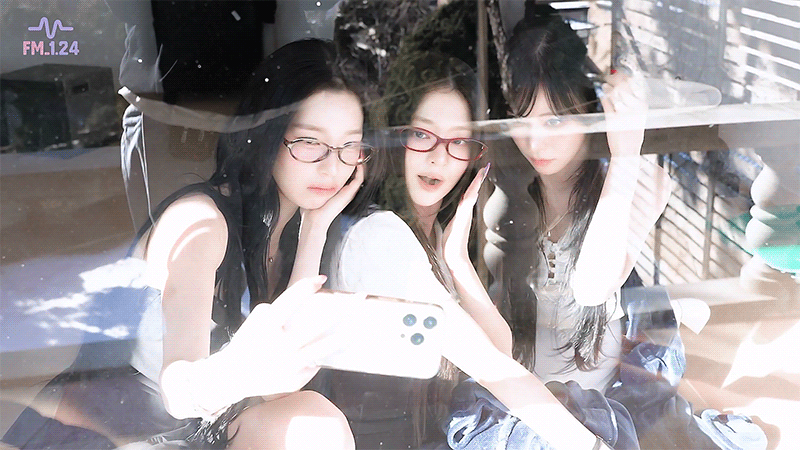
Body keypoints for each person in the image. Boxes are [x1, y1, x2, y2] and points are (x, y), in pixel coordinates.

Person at [319, 50, 511, 448]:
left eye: (459, 141)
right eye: (422, 134)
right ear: (395, 135)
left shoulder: (430, 233)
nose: (439, 157)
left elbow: (498, 356)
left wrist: (457, 259)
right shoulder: (379, 235)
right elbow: (496, 363)